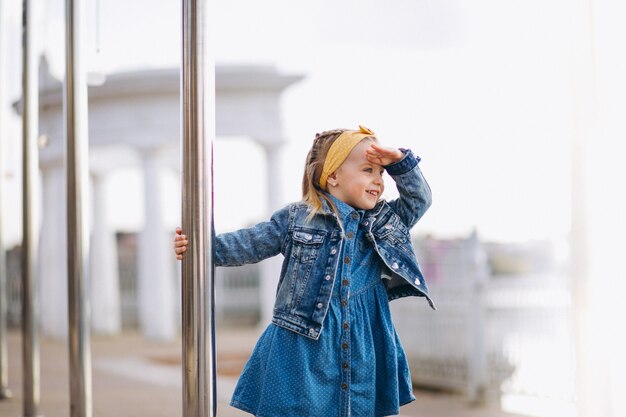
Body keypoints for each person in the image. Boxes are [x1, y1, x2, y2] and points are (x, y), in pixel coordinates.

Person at [173, 125, 435, 417]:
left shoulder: (384, 221)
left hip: (364, 341)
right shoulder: (298, 218)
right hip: (304, 343)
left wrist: (400, 161)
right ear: (332, 176)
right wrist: (200, 249)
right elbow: (251, 243)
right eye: (367, 170)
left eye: (380, 173)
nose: (378, 181)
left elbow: (419, 200)